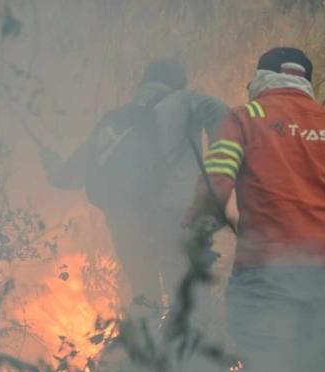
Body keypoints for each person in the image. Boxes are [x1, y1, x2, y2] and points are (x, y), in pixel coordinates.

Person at [183, 47, 325, 372]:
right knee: (316, 359)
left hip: (265, 267)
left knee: (263, 361)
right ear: (306, 81)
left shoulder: (246, 117)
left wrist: (200, 224)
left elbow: (218, 180)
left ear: (261, 78)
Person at [39, 59, 228, 318]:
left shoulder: (114, 122)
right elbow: (228, 120)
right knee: (187, 300)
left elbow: (68, 177)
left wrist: (52, 165)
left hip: (126, 223)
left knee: (144, 298)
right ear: (177, 82)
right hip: (174, 217)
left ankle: (144, 353)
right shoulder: (185, 100)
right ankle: (188, 354)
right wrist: (221, 170)